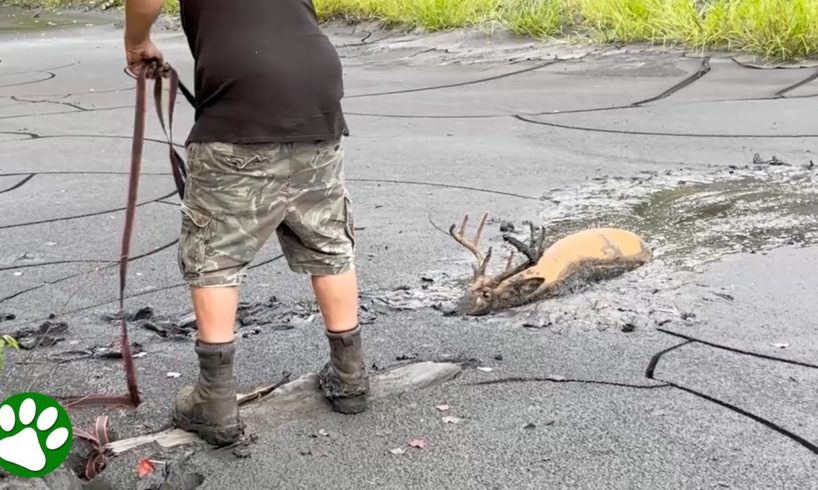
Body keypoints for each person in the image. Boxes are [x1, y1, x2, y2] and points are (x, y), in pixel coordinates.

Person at [123, 0, 370, 446]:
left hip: (242, 93)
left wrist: (136, 40)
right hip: (315, 82)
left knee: (214, 254)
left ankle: (215, 401)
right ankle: (350, 376)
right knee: (327, 239)